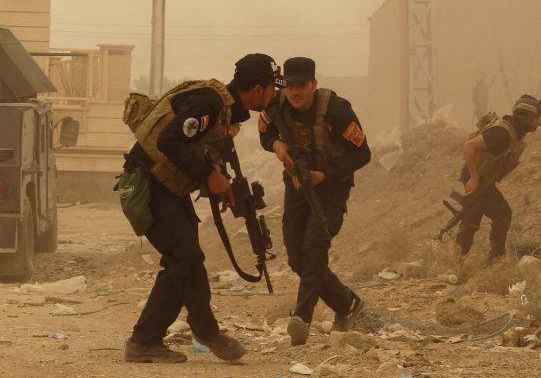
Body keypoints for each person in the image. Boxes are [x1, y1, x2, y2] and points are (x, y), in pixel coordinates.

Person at [122, 53, 279, 363]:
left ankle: (144, 340)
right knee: (187, 257)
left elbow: (196, 151)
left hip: (167, 187)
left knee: (183, 260)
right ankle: (206, 331)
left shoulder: (225, 113)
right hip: (147, 184)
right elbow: (170, 141)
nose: (275, 95)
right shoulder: (210, 103)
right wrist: (209, 176)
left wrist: (218, 183)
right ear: (258, 89)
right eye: (273, 88)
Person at [258, 57, 371, 346]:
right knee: (297, 255)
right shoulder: (278, 104)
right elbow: (265, 132)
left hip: (331, 187)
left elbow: (362, 154)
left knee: (314, 247)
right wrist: (277, 145)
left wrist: (326, 175)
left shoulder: (336, 110)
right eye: (291, 85)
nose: (295, 92)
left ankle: (302, 317)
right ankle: (347, 304)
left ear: (314, 84)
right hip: (296, 183)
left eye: (302, 86)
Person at [456, 95, 541, 263]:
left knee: (472, 217)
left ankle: (457, 259)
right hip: (477, 178)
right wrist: (473, 177)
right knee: (502, 214)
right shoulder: (501, 134)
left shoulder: (518, 128)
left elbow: (539, 121)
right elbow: (469, 146)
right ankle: (495, 260)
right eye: (536, 118)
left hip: (484, 178)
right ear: (526, 118)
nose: (538, 122)